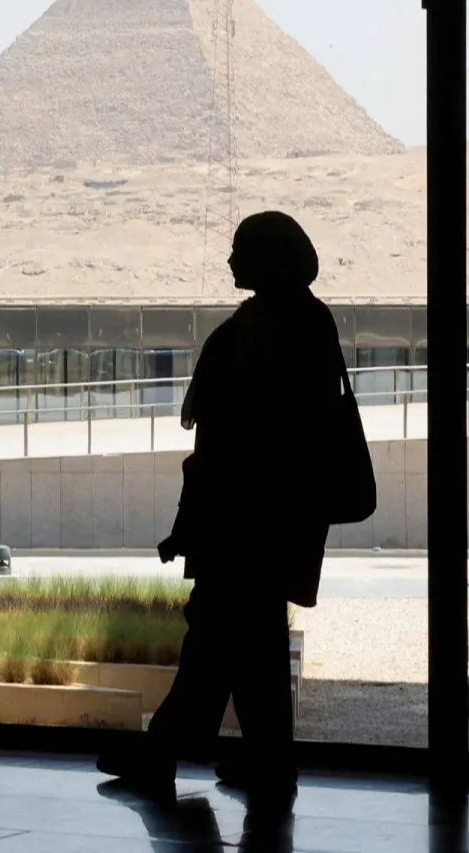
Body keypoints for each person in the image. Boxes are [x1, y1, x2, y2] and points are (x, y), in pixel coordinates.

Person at [98, 211, 341, 799]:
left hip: (242, 522)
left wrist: (191, 522)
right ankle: (262, 760)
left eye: (241, 250)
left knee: (218, 639)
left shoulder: (258, 330)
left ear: (268, 257)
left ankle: (173, 752)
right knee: (246, 643)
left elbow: (226, 445)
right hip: (278, 521)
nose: (230, 262)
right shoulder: (308, 322)